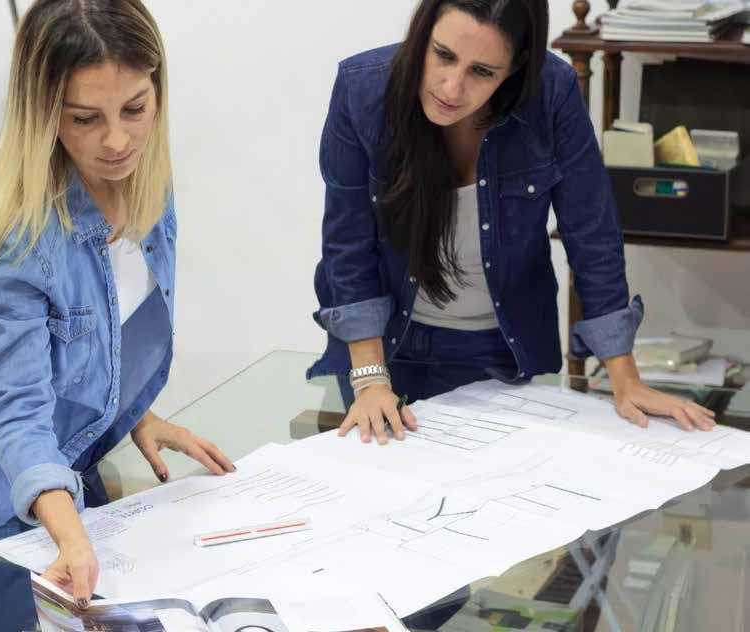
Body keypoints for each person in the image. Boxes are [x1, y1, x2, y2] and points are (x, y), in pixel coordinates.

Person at [0, 0, 234, 607]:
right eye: (85, 118)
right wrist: (72, 537)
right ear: (43, 112)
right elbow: (17, 408)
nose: (118, 140)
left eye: (135, 109)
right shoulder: (8, 213)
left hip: (62, 459)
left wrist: (136, 413)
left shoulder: (148, 176)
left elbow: (101, 328)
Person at [307, 0, 717, 446]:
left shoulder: (552, 93)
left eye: (482, 72)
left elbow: (591, 233)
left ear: (516, 67)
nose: (452, 87)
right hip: (380, 345)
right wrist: (370, 380)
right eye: (443, 55)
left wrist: (626, 379)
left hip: (499, 346)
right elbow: (348, 243)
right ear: (423, 33)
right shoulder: (362, 89)